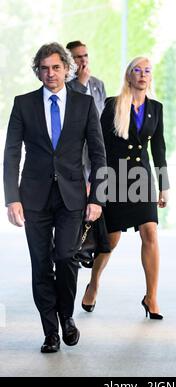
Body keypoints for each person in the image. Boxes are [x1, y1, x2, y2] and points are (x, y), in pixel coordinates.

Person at [3, 42, 107, 353]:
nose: (50, 73)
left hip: (72, 197)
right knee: (40, 264)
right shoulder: (23, 104)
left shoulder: (84, 105)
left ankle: (66, 316)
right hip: (33, 197)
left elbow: (99, 155)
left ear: (67, 69)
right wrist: (12, 198)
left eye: (56, 67)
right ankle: (50, 331)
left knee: (65, 257)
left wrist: (97, 198)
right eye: (44, 68)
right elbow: (11, 154)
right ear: (38, 72)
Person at [81, 56, 170, 319]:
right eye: (137, 70)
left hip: (142, 179)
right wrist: (94, 184)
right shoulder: (112, 105)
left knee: (150, 233)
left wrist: (164, 186)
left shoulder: (157, 108)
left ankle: (151, 296)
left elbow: (159, 149)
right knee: (111, 239)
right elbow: (99, 147)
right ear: (129, 76)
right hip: (114, 178)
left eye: (147, 71)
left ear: (150, 77)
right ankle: (94, 283)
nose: (142, 75)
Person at [66, 40, 106, 118]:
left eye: (85, 55)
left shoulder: (98, 84)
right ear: (69, 61)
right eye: (79, 57)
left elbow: (104, 113)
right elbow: (71, 110)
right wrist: (81, 84)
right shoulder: (63, 84)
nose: (84, 60)